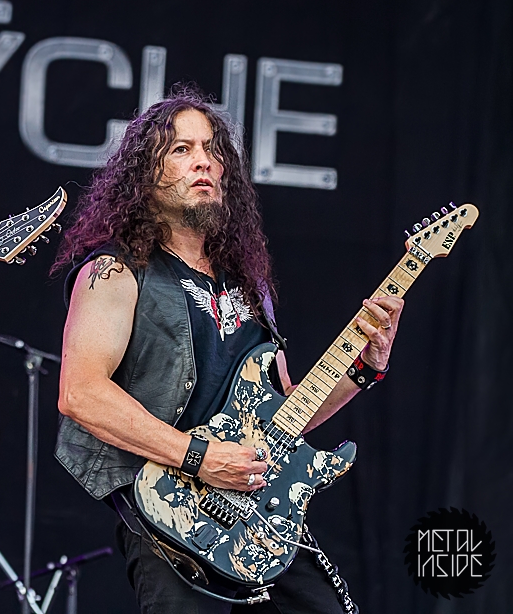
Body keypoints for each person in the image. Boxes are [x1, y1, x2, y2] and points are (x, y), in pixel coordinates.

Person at [51, 85, 402, 613]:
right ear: (145, 174)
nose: (204, 162)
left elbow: (285, 420)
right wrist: (199, 458)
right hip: (173, 521)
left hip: (259, 518)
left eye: (212, 150)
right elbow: (80, 393)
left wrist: (362, 371)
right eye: (182, 149)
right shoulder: (115, 270)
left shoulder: (249, 285)